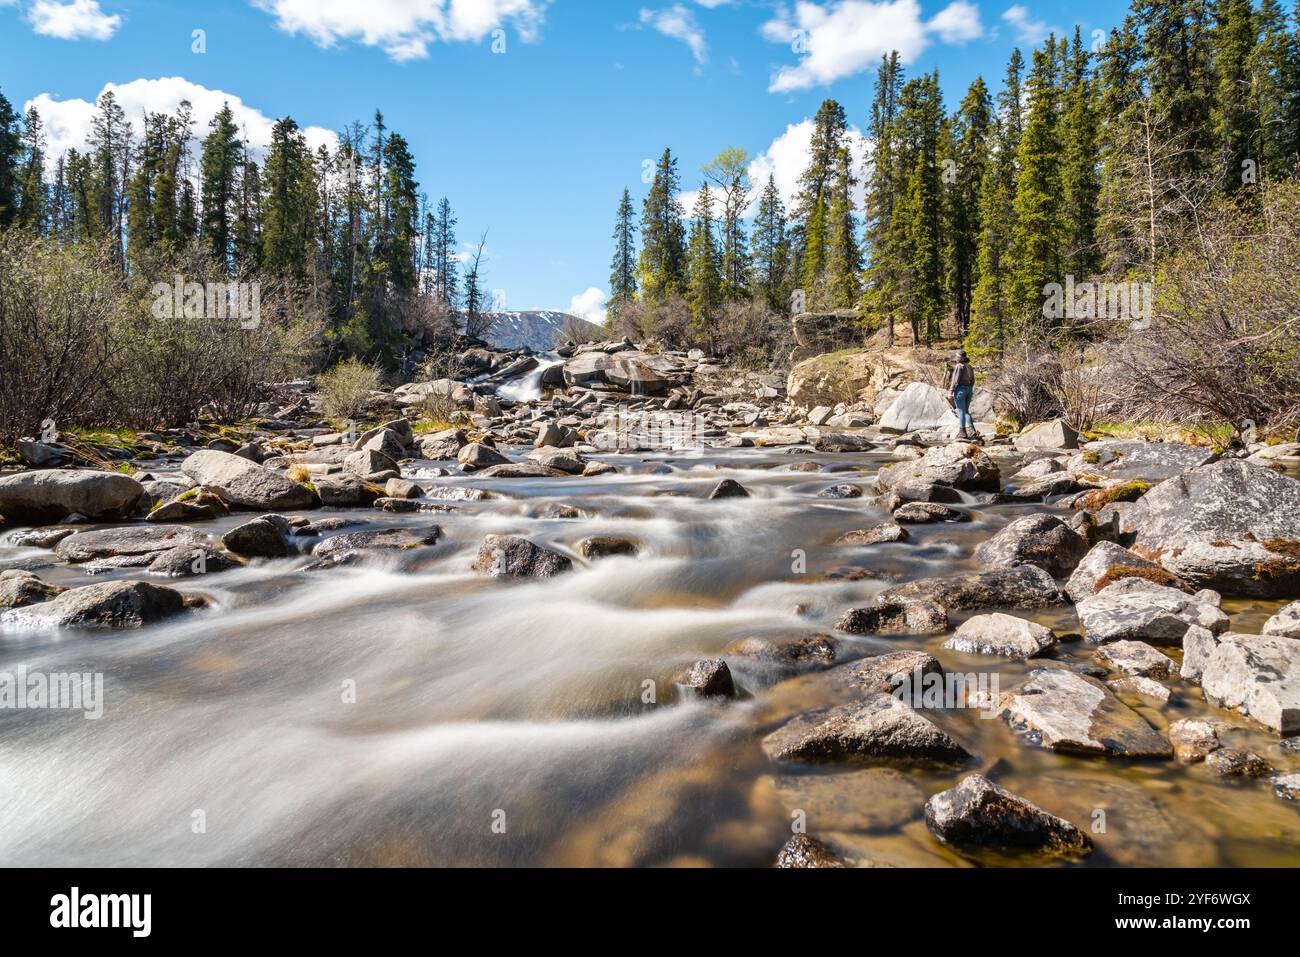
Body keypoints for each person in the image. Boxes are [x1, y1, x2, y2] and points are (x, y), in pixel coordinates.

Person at [949, 351, 977, 440]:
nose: (956, 359)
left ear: (959, 358)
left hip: (960, 390)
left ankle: (962, 432)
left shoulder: (958, 366)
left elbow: (955, 381)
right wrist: (969, 388)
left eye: (957, 357)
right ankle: (972, 431)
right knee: (965, 411)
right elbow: (973, 380)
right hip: (969, 389)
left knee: (961, 411)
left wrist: (951, 392)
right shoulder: (969, 366)